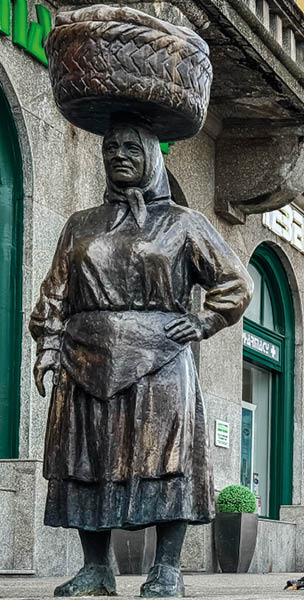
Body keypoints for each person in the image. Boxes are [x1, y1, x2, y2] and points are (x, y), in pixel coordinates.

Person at [30, 121, 253, 596]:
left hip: (160, 360)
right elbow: (55, 291)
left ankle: (167, 568)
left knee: (167, 463)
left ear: (154, 156)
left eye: (132, 147)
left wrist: (204, 322)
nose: (119, 155)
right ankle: (97, 569)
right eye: (111, 148)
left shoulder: (184, 222)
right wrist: (48, 345)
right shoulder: (81, 223)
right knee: (86, 462)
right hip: (84, 358)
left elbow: (235, 283)